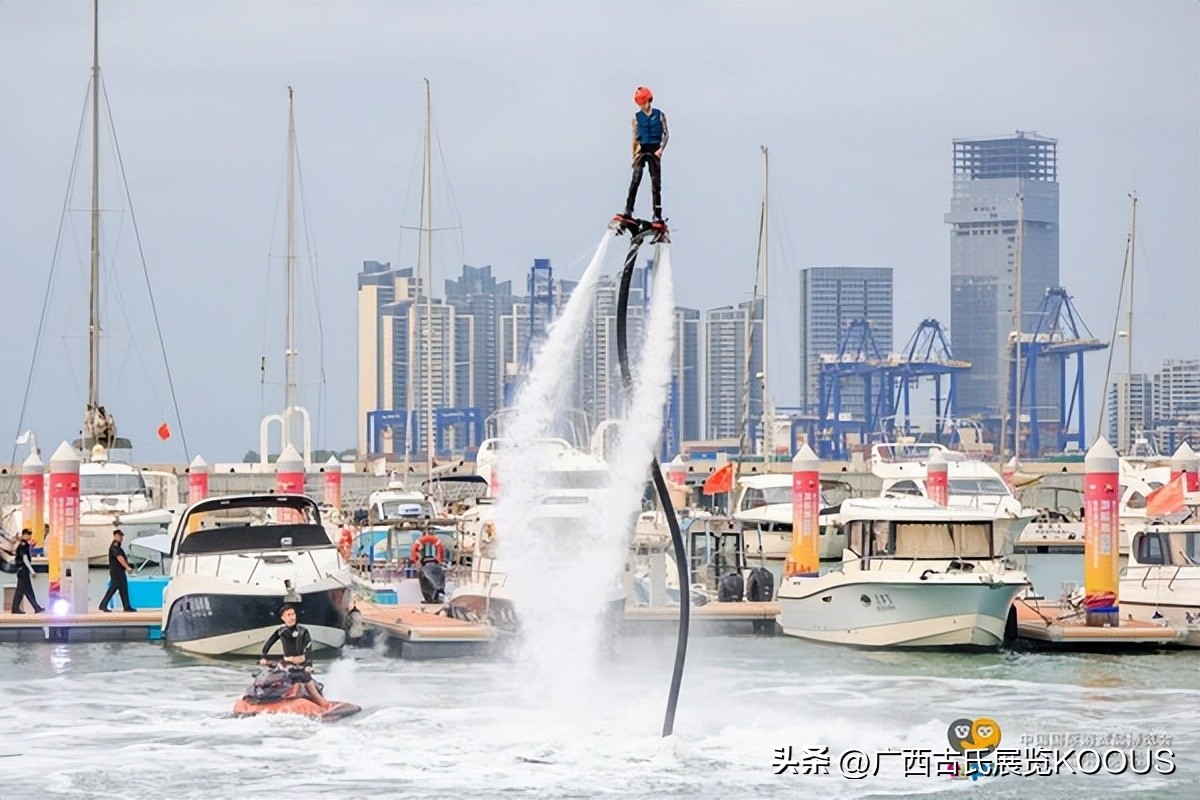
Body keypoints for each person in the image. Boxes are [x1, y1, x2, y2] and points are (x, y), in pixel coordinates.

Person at [260, 605, 327, 706]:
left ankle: (323, 704)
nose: (292, 617)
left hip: (301, 665)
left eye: (293, 614)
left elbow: (309, 648)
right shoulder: (280, 631)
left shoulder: (303, 631)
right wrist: (263, 658)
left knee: (311, 688)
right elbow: (267, 645)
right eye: (289, 615)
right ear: (283, 618)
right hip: (287, 665)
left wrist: (309, 665)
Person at [620, 85, 669, 223]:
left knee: (656, 183)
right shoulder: (636, 118)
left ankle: (657, 214)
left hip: (655, 150)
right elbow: (635, 137)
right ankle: (628, 210)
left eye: (642, 103)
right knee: (636, 179)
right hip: (641, 149)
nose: (641, 106)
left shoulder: (660, 115)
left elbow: (666, 134)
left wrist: (661, 149)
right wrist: (633, 155)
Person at [98, 529, 136, 612]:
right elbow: (119, 558)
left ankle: (127, 606)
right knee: (113, 588)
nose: (121, 538)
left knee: (123, 588)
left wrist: (127, 565)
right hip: (116, 572)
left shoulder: (118, 547)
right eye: (120, 536)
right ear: (115, 536)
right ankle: (103, 604)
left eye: (121, 536)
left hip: (120, 571)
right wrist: (127, 567)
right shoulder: (114, 547)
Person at [11, 528, 45, 614]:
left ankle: (16, 608)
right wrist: (31, 570)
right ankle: (35, 607)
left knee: (22, 590)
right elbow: (25, 558)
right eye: (28, 534)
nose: (29, 536)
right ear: (24, 535)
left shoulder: (23, 544)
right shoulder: (23, 545)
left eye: (30, 534)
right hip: (23, 570)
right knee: (26, 590)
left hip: (21, 570)